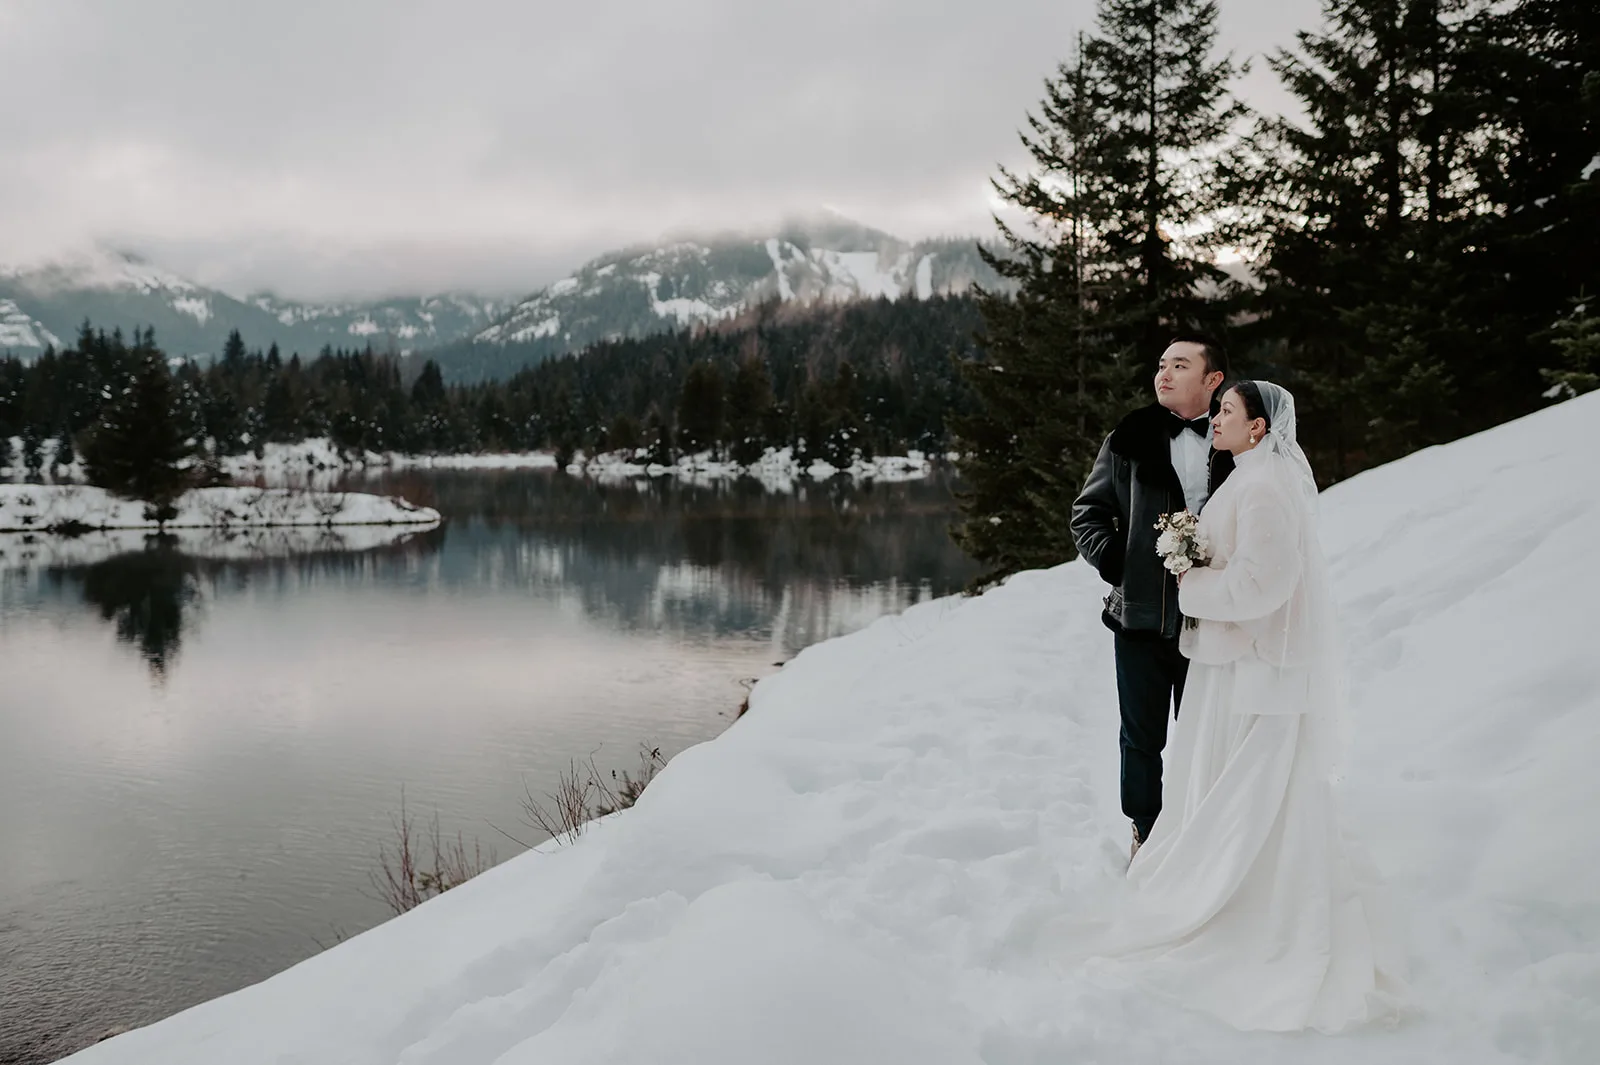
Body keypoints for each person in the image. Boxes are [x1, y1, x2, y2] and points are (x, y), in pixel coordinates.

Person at [1085, 380, 1408, 1032]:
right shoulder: (1251, 476)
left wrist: (1192, 584)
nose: (1217, 420)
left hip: (1255, 675)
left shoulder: (1263, 488)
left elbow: (1265, 583)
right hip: (1236, 667)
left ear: (1258, 428)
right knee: (1241, 794)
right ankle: (1240, 891)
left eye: (1228, 412)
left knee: (1253, 798)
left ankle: (1250, 908)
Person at [1070, 334, 1235, 860]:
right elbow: (1087, 514)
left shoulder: (1237, 436)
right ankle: (1146, 832)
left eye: (1180, 366)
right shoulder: (1131, 434)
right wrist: (1120, 564)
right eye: (1161, 364)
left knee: (1207, 730)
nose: (1163, 374)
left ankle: (1202, 832)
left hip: (1214, 619)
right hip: (1139, 618)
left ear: (1213, 381)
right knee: (1142, 738)